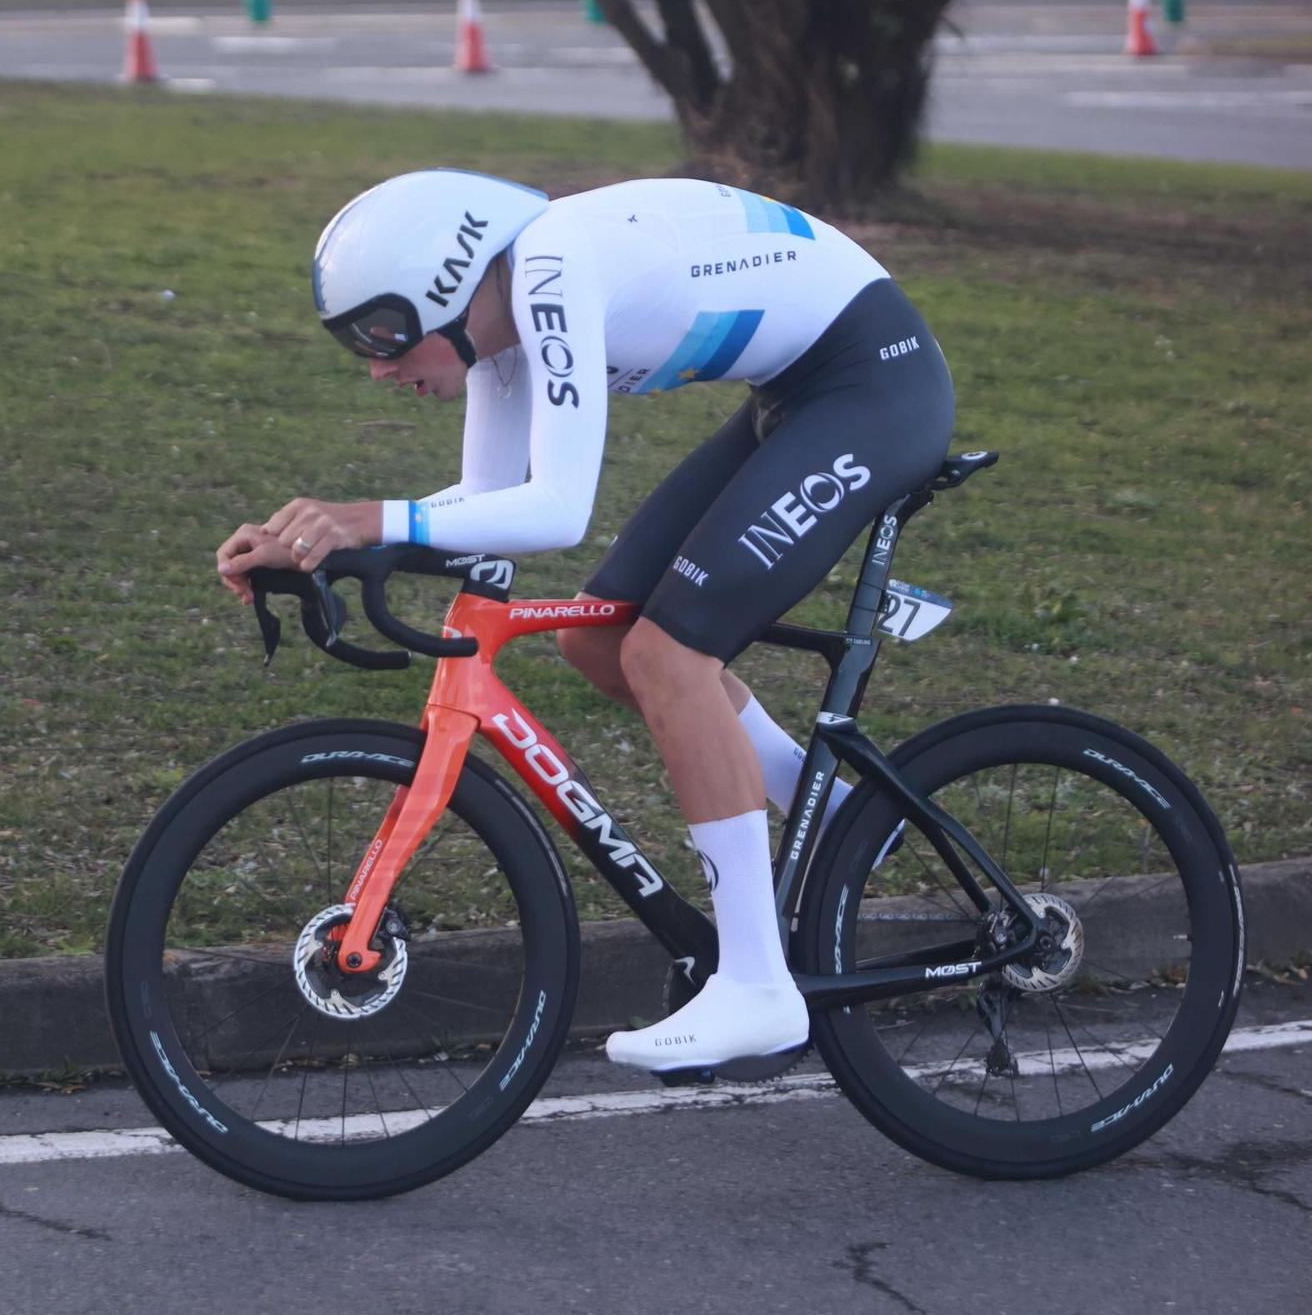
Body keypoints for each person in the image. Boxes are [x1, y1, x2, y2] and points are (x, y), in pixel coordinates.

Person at [214, 170, 955, 1079]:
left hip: (873, 388)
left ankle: (760, 987)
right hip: (797, 396)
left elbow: (560, 511)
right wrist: (329, 544)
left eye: (382, 332)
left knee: (670, 653)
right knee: (597, 638)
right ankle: (836, 813)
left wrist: (375, 518)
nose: (376, 366)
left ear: (449, 288)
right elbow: (489, 506)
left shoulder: (550, 268)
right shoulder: (504, 325)